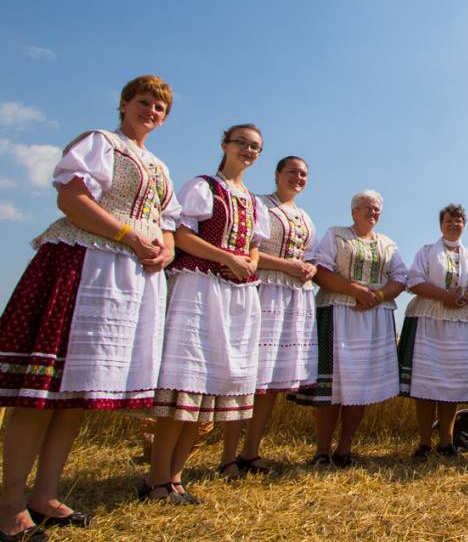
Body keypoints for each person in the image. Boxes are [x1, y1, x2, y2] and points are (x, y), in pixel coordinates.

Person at [0, 75, 179, 539]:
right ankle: (9, 505)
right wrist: (128, 235)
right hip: (82, 265)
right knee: (40, 393)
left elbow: (168, 224)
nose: (151, 112)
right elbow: (71, 198)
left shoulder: (159, 166)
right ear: (124, 104)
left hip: (126, 280)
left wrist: (166, 251)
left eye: (159, 108)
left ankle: (45, 494)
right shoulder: (101, 143)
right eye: (144, 102)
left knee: (76, 391)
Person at [146, 123, 269, 502]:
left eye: (255, 147)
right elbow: (182, 235)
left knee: (208, 388)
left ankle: (176, 477)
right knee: (186, 381)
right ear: (225, 145)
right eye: (241, 143)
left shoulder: (253, 201)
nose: (248, 150)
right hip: (199, 287)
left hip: (236, 294)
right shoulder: (203, 187)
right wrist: (227, 258)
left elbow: (254, 246)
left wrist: (249, 262)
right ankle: (156, 479)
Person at [289, 190, 407, 467]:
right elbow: (320, 271)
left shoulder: (387, 244)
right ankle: (322, 451)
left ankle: (345, 448)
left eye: (376, 208)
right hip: (338, 312)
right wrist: (354, 289)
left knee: (359, 385)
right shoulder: (336, 235)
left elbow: (400, 277)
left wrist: (378, 295)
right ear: (353, 211)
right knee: (330, 385)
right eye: (367, 207)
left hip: (373, 317)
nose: (372, 212)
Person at [220, 156, 318, 475]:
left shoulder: (304, 217)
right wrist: (288, 265)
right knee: (247, 376)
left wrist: (310, 268)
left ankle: (250, 452)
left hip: (293, 298)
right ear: (277, 175)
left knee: (270, 381)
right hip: (263, 290)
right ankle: (227, 456)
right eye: (292, 172)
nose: (298, 178)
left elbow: (310, 257)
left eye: (303, 174)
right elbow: (246, 249)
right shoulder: (260, 205)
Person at [398, 204, 468, 459]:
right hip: (429, 319)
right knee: (426, 383)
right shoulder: (427, 251)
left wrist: (465, 297)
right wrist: (444, 296)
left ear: (464, 225)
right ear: (441, 225)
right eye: (449, 220)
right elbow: (414, 281)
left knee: (452, 383)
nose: (453, 224)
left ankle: (447, 442)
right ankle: (424, 443)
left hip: (459, 321)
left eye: (458, 221)